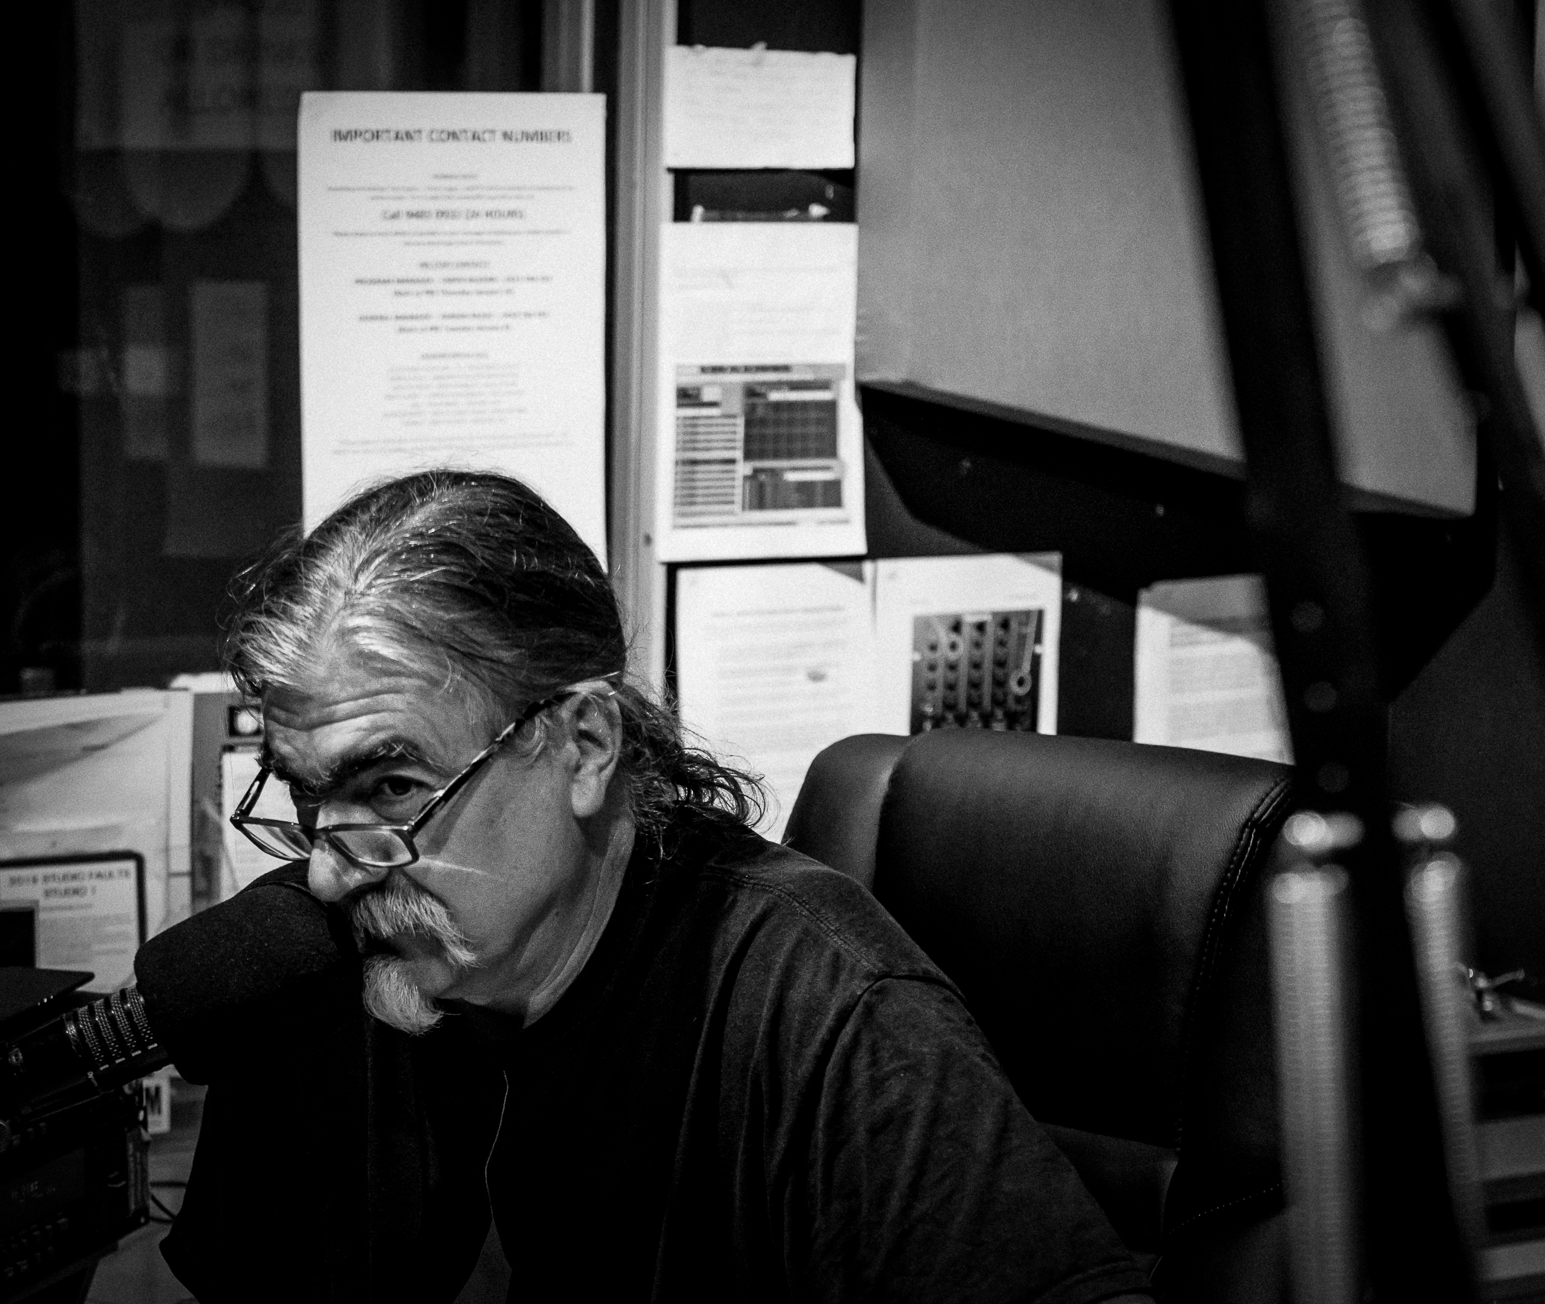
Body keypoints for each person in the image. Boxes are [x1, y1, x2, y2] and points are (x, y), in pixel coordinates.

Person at [140, 469, 1152, 1304]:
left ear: (582, 745)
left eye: (394, 787)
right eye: (308, 795)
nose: (328, 868)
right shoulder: (309, 976)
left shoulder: (830, 1018)